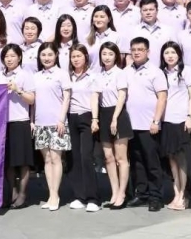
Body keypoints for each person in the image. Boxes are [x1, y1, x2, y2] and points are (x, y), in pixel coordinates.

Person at [124, 37, 168, 212]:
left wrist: (156, 120)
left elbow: (162, 97)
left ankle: (155, 196)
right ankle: (141, 193)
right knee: (137, 162)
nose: (136, 53)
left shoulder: (155, 72)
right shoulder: (126, 71)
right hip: (131, 125)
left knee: (152, 163)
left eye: (140, 50)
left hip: (149, 125)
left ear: (147, 52)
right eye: (133, 49)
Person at [90, 41, 132, 209]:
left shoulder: (120, 74)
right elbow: (95, 97)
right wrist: (95, 119)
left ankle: (122, 193)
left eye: (110, 54)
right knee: (108, 157)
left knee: (121, 158)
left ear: (116, 56)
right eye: (104, 54)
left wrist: (115, 118)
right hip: (103, 114)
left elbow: (122, 96)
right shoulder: (99, 75)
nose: (107, 57)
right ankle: (114, 192)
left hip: (118, 115)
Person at [31, 41, 72, 211]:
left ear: (56, 55)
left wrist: (61, 120)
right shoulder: (35, 76)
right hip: (40, 123)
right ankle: (50, 194)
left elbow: (67, 98)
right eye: (43, 55)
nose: (46, 58)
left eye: (49, 54)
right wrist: (32, 121)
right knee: (46, 160)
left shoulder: (62, 74)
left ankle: (55, 195)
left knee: (56, 158)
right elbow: (33, 102)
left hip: (57, 123)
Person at [159, 42, 191, 211]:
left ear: (179, 55)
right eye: (166, 52)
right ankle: (176, 192)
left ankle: (184, 194)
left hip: (181, 120)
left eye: (173, 52)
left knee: (182, 160)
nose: (170, 56)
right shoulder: (161, 73)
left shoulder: (186, 71)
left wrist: (190, 116)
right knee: (171, 159)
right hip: (166, 120)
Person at [0, 44, 35, 209]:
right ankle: (11, 192)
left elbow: (32, 99)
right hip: (2, 122)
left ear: (19, 57)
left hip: (20, 120)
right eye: (6, 56)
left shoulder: (25, 75)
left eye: (13, 56)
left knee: (23, 161)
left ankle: (23, 193)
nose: (9, 59)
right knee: (9, 161)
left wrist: (17, 90)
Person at [66, 44, 101, 212]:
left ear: (86, 57)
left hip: (87, 116)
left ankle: (93, 198)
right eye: (73, 56)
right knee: (74, 157)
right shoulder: (68, 77)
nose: (76, 59)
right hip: (71, 117)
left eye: (79, 56)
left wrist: (95, 118)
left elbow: (95, 98)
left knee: (86, 156)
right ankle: (79, 196)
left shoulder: (92, 76)